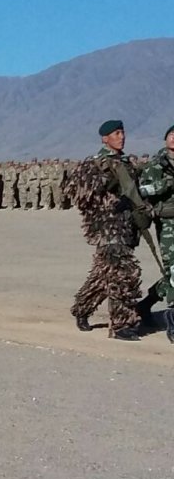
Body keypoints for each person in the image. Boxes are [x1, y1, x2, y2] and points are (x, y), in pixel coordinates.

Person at [68, 120, 143, 340]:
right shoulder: (95, 163)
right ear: (105, 138)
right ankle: (121, 325)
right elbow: (78, 193)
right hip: (107, 227)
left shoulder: (127, 163)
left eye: (122, 133)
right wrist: (107, 185)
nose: (122, 137)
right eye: (116, 133)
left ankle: (82, 308)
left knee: (103, 275)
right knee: (122, 273)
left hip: (126, 226)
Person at [134, 123, 174, 342]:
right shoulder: (157, 165)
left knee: (171, 275)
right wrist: (166, 183)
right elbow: (144, 189)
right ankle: (172, 320)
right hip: (168, 224)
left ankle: (145, 304)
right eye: (171, 134)